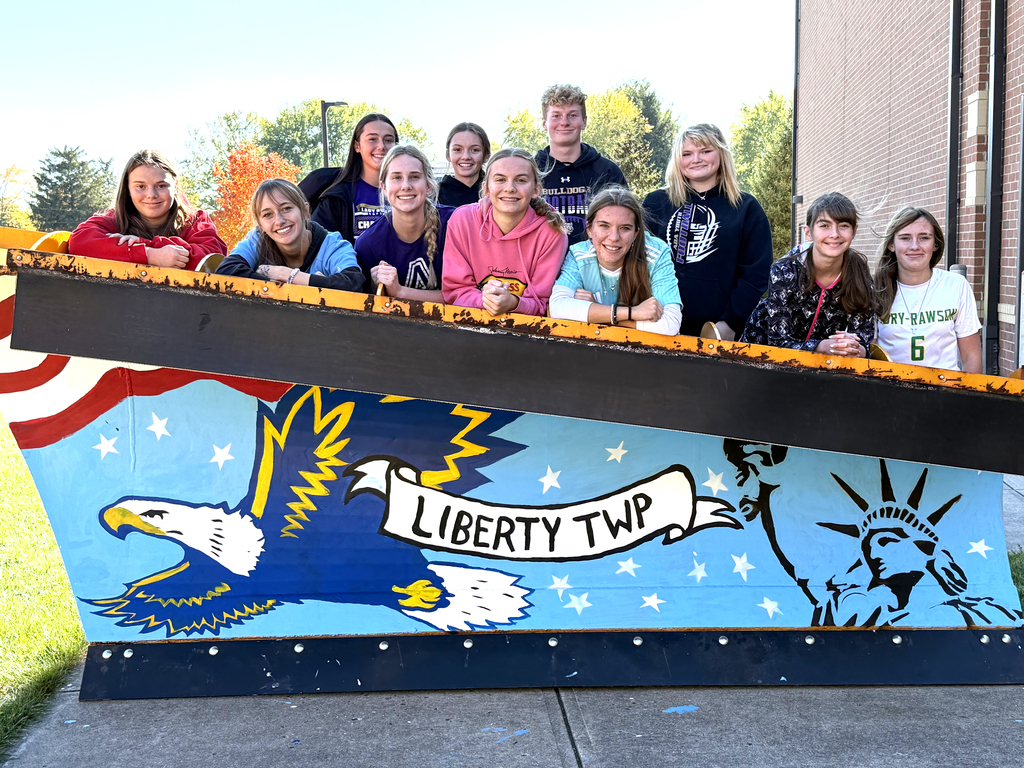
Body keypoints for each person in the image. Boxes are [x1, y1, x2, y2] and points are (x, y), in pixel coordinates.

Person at [642, 124, 772, 338]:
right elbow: (638, 262)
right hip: (659, 323)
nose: (696, 159)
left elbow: (757, 272)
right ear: (677, 159)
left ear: (721, 153)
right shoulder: (655, 203)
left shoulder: (746, 207)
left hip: (720, 330)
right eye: (687, 153)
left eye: (705, 151)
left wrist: (730, 323)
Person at [741, 192, 875, 356]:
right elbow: (777, 342)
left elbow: (865, 343)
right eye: (824, 225)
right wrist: (818, 346)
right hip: (759, 356)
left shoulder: (861, 277)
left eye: (844, 225)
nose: (834, 234)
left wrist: (854, 348)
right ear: (808, 232)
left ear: (854, 231)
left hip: (821, 367)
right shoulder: (784, 270)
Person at [442, 148, 568, 316]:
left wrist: (513, 303)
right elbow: (455, 290)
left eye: (521, 180)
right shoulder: (462, 220)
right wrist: (486, 300)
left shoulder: (552, 232)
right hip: (471, 322)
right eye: (500, 179)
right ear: (486, 188)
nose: (510, 188)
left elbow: (543, 303)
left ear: (535, 190)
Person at [549, 186, 681, 335]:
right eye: (604, 226)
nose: (614, 237)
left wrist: (596, 311)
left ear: (636, 233)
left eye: (625, 228)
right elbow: (557, 308)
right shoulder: (579, 254)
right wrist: (632, 313)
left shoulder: (656, 254)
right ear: (589, 229)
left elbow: (670, 325)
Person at [69, 149, 226, 270]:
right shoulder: (114, 220)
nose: (151, 195)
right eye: (140, 186)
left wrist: (145, 244)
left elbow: (212, 259)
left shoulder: (196, 221)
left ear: (175, 186)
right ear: (128, 189)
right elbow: (79, 242)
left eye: (161, 186)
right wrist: (149, 255)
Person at [873, 207, 982, 372]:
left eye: (924, 238)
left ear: (935, 244)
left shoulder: (956, 285)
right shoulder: (875, 289)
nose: (915, 246)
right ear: (891, 244)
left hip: (945, 391)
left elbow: (971, 357)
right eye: (905, 238)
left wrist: (966, 396)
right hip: (891, 392)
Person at [215, 178, 365, 292]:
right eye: (267, 215)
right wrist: (316, 283)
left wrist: (288, 275)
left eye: (286, 208)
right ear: (260, 225)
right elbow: (225, 272)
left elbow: (354, 283)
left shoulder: (333, 245)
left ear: (305, 211)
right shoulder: (257, 241)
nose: (279, 221)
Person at [356, 145, 455, 303]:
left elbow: (463, 297)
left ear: (428, 186)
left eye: (415, 176)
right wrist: (377, 289)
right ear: (384, 187)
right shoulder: (368, 244)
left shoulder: (454, 224)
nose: (406, 186)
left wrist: (399, 292)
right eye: (396, 177)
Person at [534, 84, 628, 246]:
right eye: (556, 115)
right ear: (544, 124)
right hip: (541, 265)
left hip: (595, 265)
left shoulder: (608, 172)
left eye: (572, 115)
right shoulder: (530, 171)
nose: (564, 122)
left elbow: (626, 223)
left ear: (584, 122)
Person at [297, 114, 399, 244]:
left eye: (389, 140)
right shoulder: (336, 198)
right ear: (357, 146)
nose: (381, 146)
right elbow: (319, 247)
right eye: (372, 139)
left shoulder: (409, 192)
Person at [438, 122, 491, 208]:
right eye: (458, 149)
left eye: (475, 150)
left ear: (486, 156)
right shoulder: (434, 195)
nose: (466, 157)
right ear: (448, 155)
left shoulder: (496, 192)